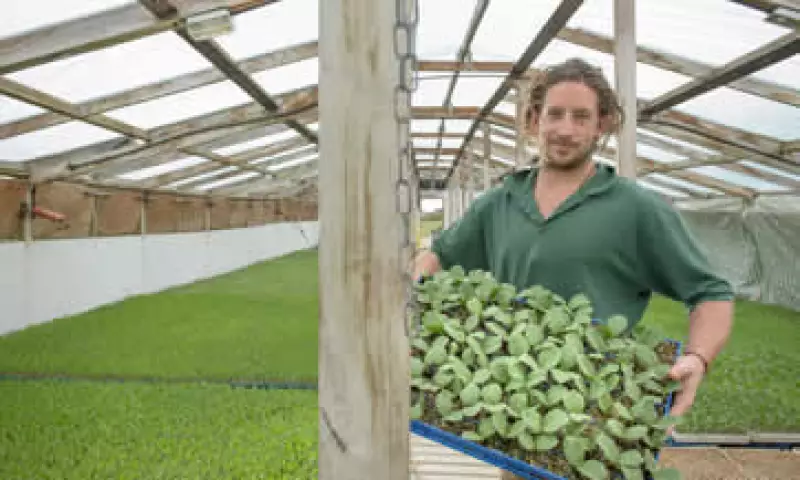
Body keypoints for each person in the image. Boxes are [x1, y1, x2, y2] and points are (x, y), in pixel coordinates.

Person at [412, 58, 734, 429]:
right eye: (555, 114)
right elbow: (439, 256)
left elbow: (710, 292)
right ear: (535, 121)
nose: (565, 129)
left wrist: (697, 357)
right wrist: (413, 293)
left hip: (598, 412)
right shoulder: (500, 203)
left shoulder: (636, 208)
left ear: (603, 124)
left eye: (581, 117)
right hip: (513, 410)